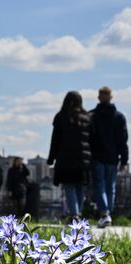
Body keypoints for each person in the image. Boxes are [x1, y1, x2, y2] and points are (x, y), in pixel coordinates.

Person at [47, 91, 91, 221]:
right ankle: (78, 213)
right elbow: (92, 139)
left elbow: (55, 140)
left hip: (65, 158)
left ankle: (74, 214)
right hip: (83, 159)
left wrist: (51, 158)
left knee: (69, 186)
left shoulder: (61, 117)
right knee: (80, 187)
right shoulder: (86, 118)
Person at [89, 86, 129, 228]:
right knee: (110, 186)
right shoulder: (119, 117)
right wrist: (124, 160)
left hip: (97, 156)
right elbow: (123, 140)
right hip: (113, 157)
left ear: (99, 97)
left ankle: (105, 212)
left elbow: (87, 138)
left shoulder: (92, 116)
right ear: (111, 97)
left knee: (99, 185)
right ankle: (108, 214)